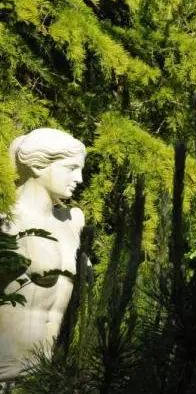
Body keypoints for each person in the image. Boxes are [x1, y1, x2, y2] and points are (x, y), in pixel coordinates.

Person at [0, 128, 86, 383]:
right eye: (70, 168)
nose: (79, 178)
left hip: (47, 377)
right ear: (38, 166)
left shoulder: (72, 222)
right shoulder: (6, 222)